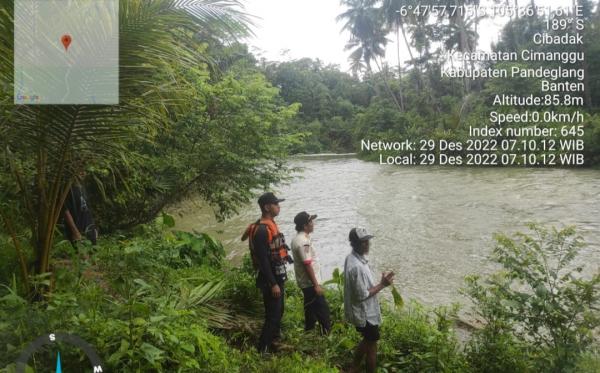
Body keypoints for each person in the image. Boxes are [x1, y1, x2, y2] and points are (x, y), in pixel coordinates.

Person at [242, 192, 291, 353]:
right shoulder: (262, 230)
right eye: (276, 204)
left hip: (276, 276)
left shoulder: (269, 224)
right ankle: (262, 350)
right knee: (273, 315)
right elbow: (263, 261)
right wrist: (273, 284)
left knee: (279, 310)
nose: (279, 206)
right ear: (267, 207)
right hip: (270, 279)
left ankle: (274, 341)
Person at [344, 228, 394, 373]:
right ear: (354, 244)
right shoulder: (356, 266)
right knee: (372, 346)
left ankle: (354, 367)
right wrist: (382, 284)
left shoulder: (352, 258)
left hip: (363, 312)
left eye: (367, 241)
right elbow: (362, 295)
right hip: (365, 314)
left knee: (367, 341)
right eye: (363, 242)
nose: (367, 245)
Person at [291, 211, 331, 335]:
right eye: (311, 222)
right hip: (310, 283)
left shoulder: (299, 238)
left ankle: (309, 332)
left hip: (306, 282)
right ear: (305, 226)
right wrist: (316, 285)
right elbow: (307, 264)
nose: (313, 224)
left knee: (310, 308)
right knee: (322, 310)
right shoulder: (303, 242)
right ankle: (327, 334)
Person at [63, 174, 98, 247]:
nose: (83, 172)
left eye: (84, 170)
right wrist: (75, 232)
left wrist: (93, 228)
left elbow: (87, 209)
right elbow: (65, 212)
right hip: (79, 231)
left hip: (89, 230)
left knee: (92, 255)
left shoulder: (82, 187)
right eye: (80, 170)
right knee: (84, 257)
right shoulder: (67, 189)